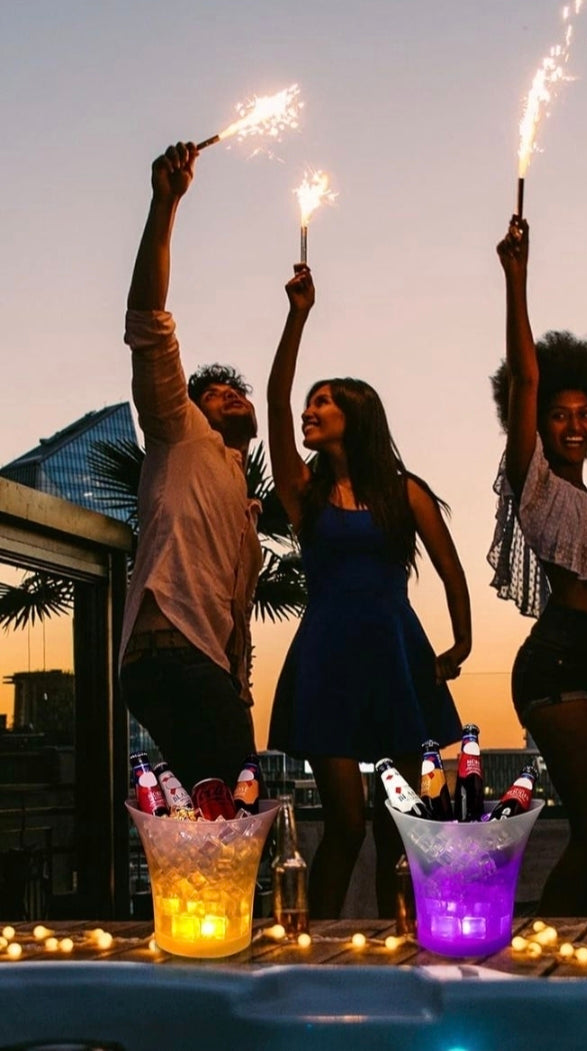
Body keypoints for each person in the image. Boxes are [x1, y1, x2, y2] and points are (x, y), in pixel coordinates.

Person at [266, 264, 471, 920]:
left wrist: (460, 643)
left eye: (323, 401)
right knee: (347, 824)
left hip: (396, 660)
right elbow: (274, 399)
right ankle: (316, 952)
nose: (308, 410)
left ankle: (400, 953)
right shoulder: (305, 492)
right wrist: (297, 315)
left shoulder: (403, 491)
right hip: (327, 661)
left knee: (399, 830)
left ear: (355, 414)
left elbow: (451, 569)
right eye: (310, 402)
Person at [488, 216, 587, 916]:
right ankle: (549, 951)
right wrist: (517, 276)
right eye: (559, 413)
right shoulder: (539, 488)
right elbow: (526, 374)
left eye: (586, 413)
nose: (574, 424)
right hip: (554, 665)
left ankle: (573, 943)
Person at [120, 141, 261, 794]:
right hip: (172, 654)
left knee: (223, 817)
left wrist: (240, 685)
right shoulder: (179, 428)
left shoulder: (239, 494)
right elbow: (149, 320)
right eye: (216, 391)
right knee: (235, 814)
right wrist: (166, 203)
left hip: (202, 664)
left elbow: (236, 608)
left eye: (238, 391)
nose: (232, 395)